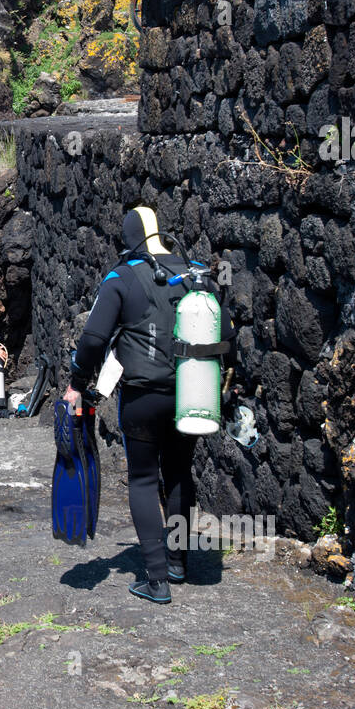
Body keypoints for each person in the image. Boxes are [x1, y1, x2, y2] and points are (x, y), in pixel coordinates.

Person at [63, 206, 236, 604]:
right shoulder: (195, 273)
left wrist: (77, 384)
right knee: (178, 474)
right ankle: (177, 562)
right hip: (192, 393)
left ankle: (156, 578)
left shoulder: (121, 276)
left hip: (142, 397)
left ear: (128, 238)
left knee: (143, 479)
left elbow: (92, 339)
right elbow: (225, 331)